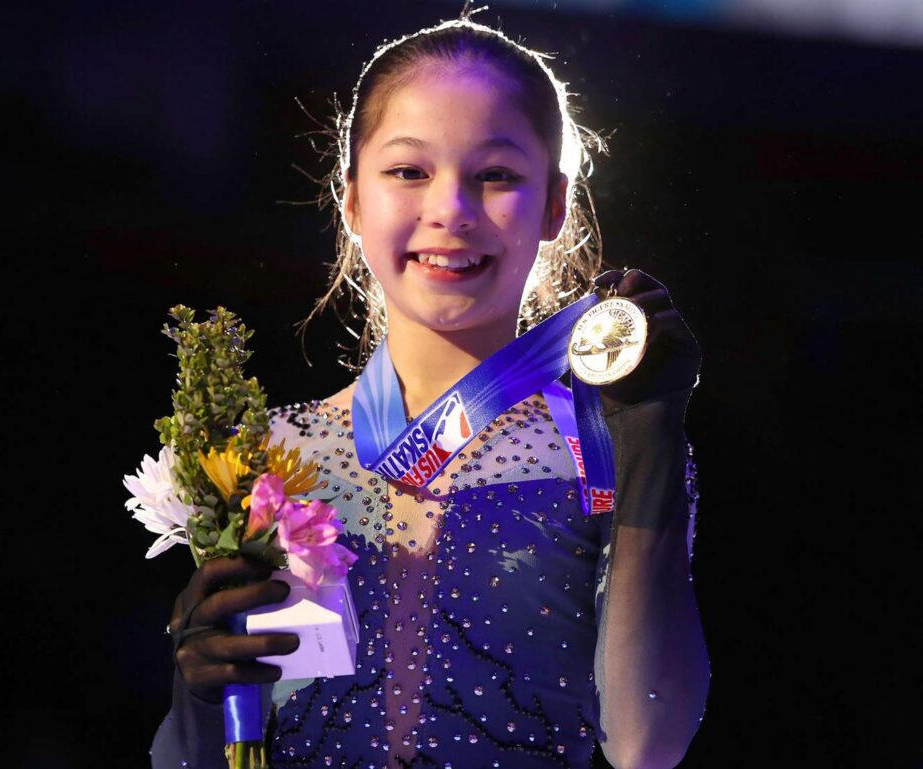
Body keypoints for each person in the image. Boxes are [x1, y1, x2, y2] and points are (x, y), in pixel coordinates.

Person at [152, 15, 710, 769]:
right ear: (350, 201)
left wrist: (652, 435)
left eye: (496, 174)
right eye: (409, 171)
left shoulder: (605, 449)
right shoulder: (269, 458)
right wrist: (197, 696)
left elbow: (650, 743)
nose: (451, 209)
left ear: (554, 205)